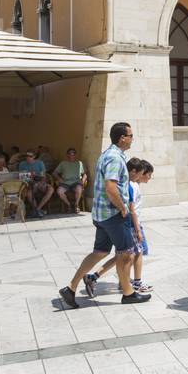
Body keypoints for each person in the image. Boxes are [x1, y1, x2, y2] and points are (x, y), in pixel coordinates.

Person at [58, 122, 151, 308]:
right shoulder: (115, 158)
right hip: (113, 214)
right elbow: (111, 187)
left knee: (100, 252)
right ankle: (128, 294)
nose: (132, 139)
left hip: (102, 214)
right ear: (122, 138)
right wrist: (123, 208)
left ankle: (71, 288)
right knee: (127, 253)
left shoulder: (107, 154)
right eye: (131, 136)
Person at [86, 159, 154, 295]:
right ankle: (136, 282)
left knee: (123, 255)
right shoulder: (131, 186)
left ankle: (100, 278)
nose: (149, 177)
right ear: (139, 173)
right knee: (137, 253)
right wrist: (138, 229)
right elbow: (132, 209)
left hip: (127, 223)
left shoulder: (131, 185)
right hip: (132, 224)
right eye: (148, 174)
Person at [18, 150, 52, 218]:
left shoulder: (40, 163)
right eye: (27, 156)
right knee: (29, 194)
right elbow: (21, 176)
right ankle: (37, 211)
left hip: (39, 182)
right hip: (28, 183)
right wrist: (29, 175)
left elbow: (43, 175)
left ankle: (37, 209)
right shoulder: (22, 164)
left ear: (34, 156)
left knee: (51, 189)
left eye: (30, 156)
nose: (28, 158)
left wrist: (41, 181)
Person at [54, 148, 88, 214]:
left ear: (75, 155)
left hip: (76, 182)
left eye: (73, 153)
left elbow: (85, 174)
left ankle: (76, 205)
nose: (72, 155)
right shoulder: (63, 163)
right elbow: (54, 173)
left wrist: (83, 180)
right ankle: (68, 205)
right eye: (70, 153)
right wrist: (59, 179)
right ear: (67, 155)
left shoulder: (79, 163)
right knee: (59, 191)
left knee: (79, 188)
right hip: (65, 182)